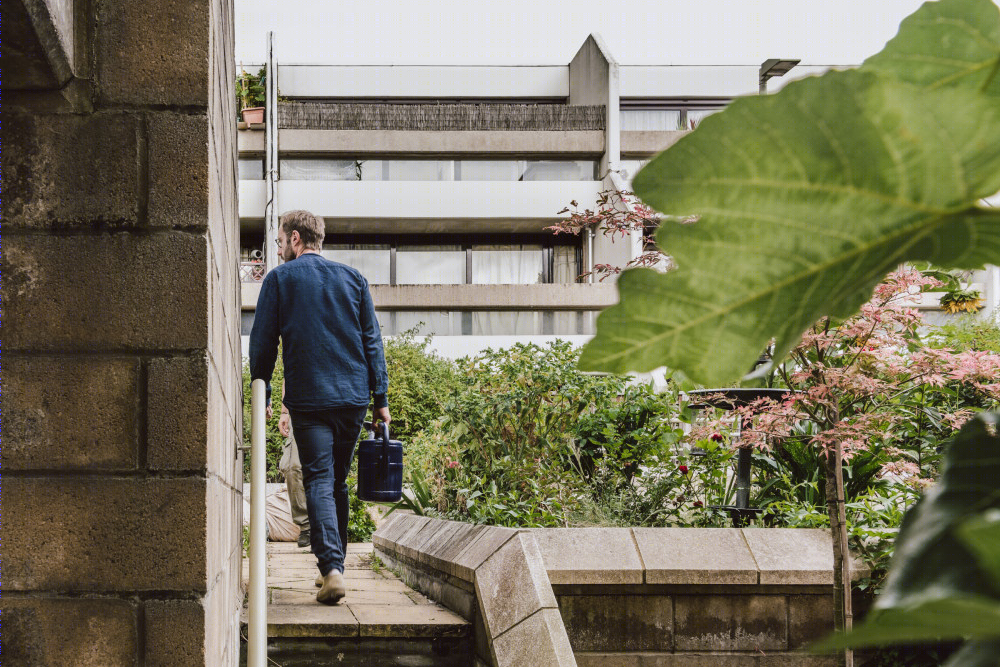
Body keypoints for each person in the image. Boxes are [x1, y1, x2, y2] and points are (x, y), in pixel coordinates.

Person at [250, 210, 390, 605]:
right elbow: (372, 342)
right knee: (336, 482)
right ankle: (335, 566)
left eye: (279, 243)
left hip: (310, 399)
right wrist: (380, 400)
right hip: (352, 398)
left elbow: (263, 342)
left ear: (295, 239)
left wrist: (261, 387)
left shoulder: (279, 279)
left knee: (317, 479)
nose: (278, 251)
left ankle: (330, 569)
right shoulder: (354, 279)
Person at [277, 381, 311, 548]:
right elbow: (288, 374)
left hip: (331, 406)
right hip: (300, 408)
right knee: (293, 468)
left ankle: (326, 527)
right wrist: (285, 411)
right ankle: (306, 526)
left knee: (329, 470)